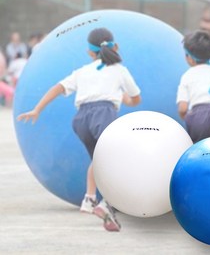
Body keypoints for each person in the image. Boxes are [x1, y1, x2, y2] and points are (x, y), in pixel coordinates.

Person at [17, 27, 141, 232]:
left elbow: (57, 87)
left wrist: (37, 109)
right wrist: (125, 98)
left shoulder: (82, 71)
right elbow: (136, 98)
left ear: (90, 52)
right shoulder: (119, 69)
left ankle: (90, 198)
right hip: (104, 115)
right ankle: (105, 203)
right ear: (115, 47)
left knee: (99, 159)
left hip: (81, 120)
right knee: (115, 159)